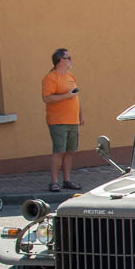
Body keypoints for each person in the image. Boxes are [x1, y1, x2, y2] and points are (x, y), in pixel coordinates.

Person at [41, 48, 83, 192]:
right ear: (60, 61)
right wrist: (66, 96)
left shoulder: (71, 76)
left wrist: (80, 115)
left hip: (73, 121)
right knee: (59, 151)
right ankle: (54, 182)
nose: (71, 60)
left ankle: (67, 180)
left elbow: (76, 97)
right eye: (68, 57)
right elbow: (46, 98)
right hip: (58, 121)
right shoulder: (51, 78)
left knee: (70, 151)